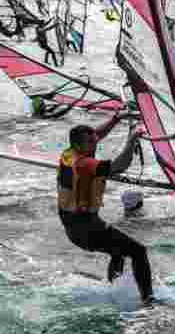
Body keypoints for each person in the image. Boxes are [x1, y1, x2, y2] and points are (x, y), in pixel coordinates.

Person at [58, 114, 153, 304]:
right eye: (91, 143)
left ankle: (115, 290)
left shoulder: (69, 153)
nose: (95, 145)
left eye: (94, 141)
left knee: (117, 251)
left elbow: (97, 134)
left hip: (75, 226)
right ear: (79, 145)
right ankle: (148, 300)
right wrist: (132, 139)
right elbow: (119, 166)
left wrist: (118, 118)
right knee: (138, 251)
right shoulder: (84, 164)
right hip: (86, 229)